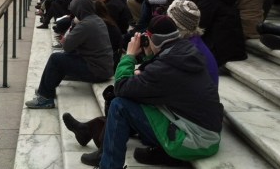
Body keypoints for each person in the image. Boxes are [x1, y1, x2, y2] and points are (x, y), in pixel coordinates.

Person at [94, 15, 223, 168]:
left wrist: (129, 56)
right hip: (206, 133)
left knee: (119, 105)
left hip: (195, 140)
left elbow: (121, 87)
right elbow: (159, 75)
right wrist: (150, 55)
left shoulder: (165, 68)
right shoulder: (185, 51)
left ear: (150, 38)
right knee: (135, 98)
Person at [25, 0, 114, 109]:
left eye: (75, 10)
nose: (73, 13)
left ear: (80, 9)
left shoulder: (85, 24)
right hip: (103, 68)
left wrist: (72, 26)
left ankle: (45, 97)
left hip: (97, 71)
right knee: (64, 57)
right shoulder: (96, 19)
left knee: (55, 59)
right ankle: (47, 88)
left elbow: (66, 45)